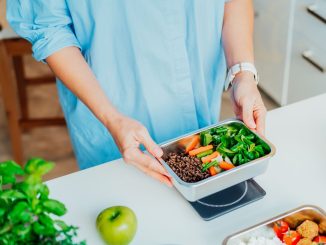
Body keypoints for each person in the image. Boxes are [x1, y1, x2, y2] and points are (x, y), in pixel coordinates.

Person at [7, 0, 266, 187]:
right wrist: (111, 118)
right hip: (115, 115)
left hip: (200, 104)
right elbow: (50, 30)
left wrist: (242, 72)